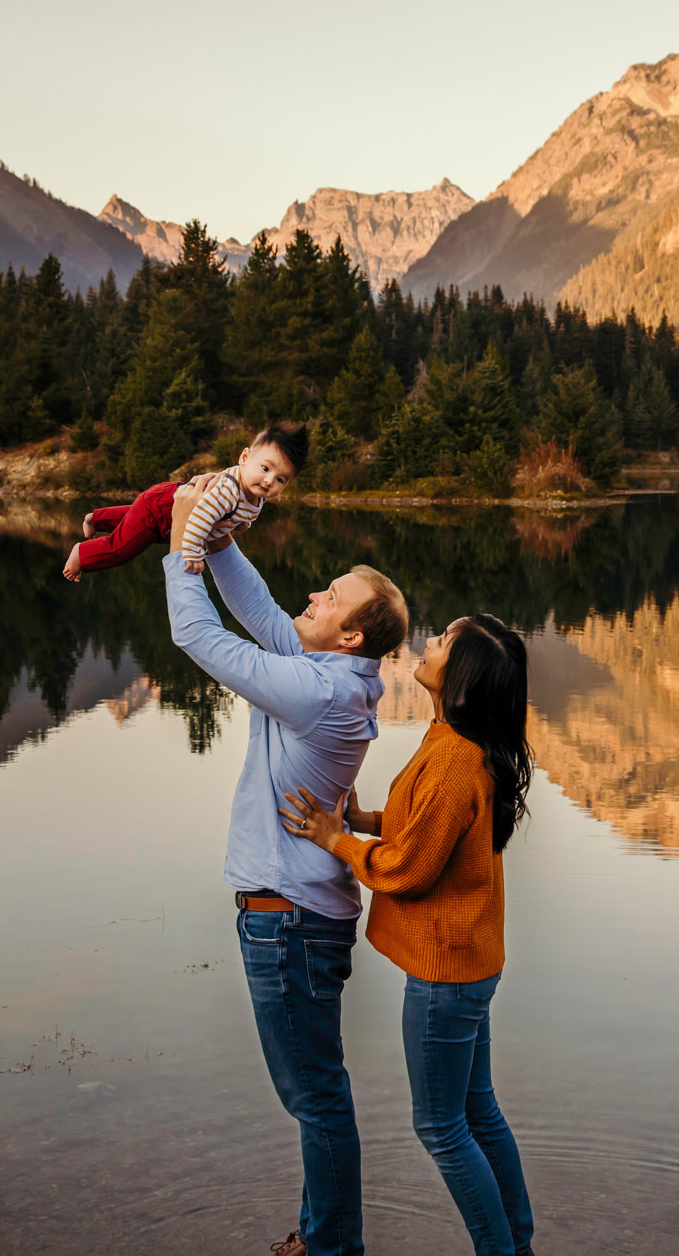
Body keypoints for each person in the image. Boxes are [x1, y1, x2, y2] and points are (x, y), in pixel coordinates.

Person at [163, 476, 410, 1256]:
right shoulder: (331, 676)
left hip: (289, 924)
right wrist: (220, 538)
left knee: (315, 1095)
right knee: (315, 1090)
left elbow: (202, 641)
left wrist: (181, 555)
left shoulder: (317, 693)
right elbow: (268, 616)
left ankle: (333, 1245)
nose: (315, 593)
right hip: (298, 918)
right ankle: (323, 1232)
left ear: (351, 638)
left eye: (331, 596)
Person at [280, 613, 537, 1256]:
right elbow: (419, 826)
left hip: (446, 975)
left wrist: (335, 840)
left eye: (446, 642)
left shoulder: (454, 758)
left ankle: (501, 1252)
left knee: (442, 1128)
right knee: (477, 1111)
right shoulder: (456, 741)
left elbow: (411, 869)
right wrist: (362, 817)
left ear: (464, 675)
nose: (430, 643)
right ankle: (519, 1246)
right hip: (470, 964)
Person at [61, 423, 308, 581]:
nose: (268, 481)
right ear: (245, 457)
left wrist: (242, 524)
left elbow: (246, 514)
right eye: (265, 468)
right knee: (124, 548)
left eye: (280, 479)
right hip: (166, 507)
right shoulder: (229, 492)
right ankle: (81, 554)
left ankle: (96, 518)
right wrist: (191, 553)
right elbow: (201, 518)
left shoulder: (255, 494)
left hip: (166, 506)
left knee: (137, 522)